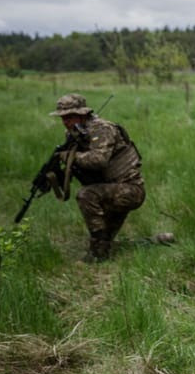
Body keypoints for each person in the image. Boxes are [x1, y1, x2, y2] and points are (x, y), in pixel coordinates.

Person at [48, 93, 145, 262]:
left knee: (86, 195)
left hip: (129, 190)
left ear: (82, 114)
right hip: (108, 187)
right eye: (63, 118)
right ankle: (158, 239)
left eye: (70, 117)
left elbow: (99, 160)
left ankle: (97, 254)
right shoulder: (74, 133)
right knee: (107, 238)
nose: (65, 121)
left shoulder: (102, 129)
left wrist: (69, 157)